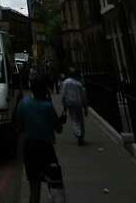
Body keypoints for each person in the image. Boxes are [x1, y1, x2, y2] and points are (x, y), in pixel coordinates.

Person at [17, 75, 64, 203]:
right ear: (44, 90)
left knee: (34, 187)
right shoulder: (47, 106)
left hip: (29, 148)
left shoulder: (23, 103)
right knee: (54, 185)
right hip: (46, 149)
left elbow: (20, 127)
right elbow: (59, 129)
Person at [59, 68, 87, 145]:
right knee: (80, 120)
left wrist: (64, 105)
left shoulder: (65, 82)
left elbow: (63, 95)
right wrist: (85, 108)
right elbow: (84, 97)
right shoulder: (79, 83)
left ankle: (78, 134)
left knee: (74, 120)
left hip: (70, 104)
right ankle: (81, 135)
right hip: (78, 103)